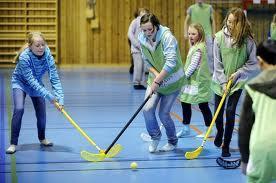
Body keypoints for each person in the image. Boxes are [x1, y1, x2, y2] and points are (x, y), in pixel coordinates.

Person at [6, 32, 64, 154]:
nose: (41, 48)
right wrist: (49, 96)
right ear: (30, 46)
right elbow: (31, 81)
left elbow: (54, 78)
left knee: (41, 113)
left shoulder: (48, 56)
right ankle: (13, 143)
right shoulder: (24, 57)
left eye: (43, 44)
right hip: (21, 83)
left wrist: (60, 99)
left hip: (36, 84)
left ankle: (42, 138)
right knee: (19, 109)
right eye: (37, 45)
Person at [211, 8, 258, 157]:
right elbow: (217, 64)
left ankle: (226, 145)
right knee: (217, 116)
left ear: (240, 23)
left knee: (230, 112)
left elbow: (253, 63)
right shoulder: (218, 38)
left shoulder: (248, 41)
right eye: (228, 21)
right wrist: (224, 83)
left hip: (237, 82)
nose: (230, 24)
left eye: (233, 22)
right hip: (220, 81)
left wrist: (239, 73)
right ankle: (220, 132)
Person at [138, 13, 184, 153]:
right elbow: (146, 61)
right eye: (143, 30)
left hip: (173, 81)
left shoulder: (167, 37)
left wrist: (158, 80)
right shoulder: (142, 39)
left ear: (156, 27)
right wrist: (156, 76)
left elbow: (171, 62)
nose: (146, 33)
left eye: (149, 30)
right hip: (156, 79)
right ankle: (155, 136)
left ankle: (172, 141)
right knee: (147, 109)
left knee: (163, 114)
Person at [238, 40, 276, 183]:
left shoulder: (252, 87)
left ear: (260, 61)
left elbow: (245, 126)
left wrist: (245, 158)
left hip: (262, 148)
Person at [177, 23, 213, 138]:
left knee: (203, 105)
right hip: (191, 82)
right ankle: (186, 128)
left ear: (200, 34)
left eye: (193, 34)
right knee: (185, 101)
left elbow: (193, 66)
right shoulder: (194, 46)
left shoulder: (199, 48)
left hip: (199, 82)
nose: (191, 36)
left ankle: (209, 129)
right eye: (189, 34)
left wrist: (183, 77)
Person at [184, 0, 216, 73]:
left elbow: (213, 21)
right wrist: (185, 33)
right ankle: (193, 72)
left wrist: (214, 33)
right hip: (195, 35)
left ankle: (211, 73)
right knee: (193, 53)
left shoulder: (209, 8)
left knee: (210, 54)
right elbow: (186, 21)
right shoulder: (191, 8)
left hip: (207, 34)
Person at [127, 8, 149, 89]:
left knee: (144, 67)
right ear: (138, 13)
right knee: (138, 66)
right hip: (136, 49)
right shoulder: (135, 21)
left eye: (145, 11)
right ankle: (136, 82)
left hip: (144, 49)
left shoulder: (147, 23)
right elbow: (129, 33)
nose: (144, 13)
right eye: (142, 11)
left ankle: (142, 83)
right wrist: (136, 44)